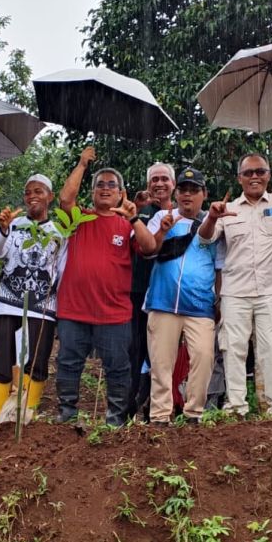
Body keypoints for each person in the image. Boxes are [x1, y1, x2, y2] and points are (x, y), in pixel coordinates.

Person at [198, 124, 272, 419]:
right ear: (239, 178)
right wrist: (212, 217)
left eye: (260, 172)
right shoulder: (227, 207)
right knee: (233, 349)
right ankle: (236, 407)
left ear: (268, 175)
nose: (255, 177)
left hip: (270, 291)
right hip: (234, 292)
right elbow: (204, 238)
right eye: (248, 173)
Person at [54, 146, 157, 426]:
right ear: (92, 191)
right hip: (74, 309)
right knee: (68, 363)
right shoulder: (80, 218)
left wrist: (134, 217)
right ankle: (67, 416)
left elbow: (149, 248)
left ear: (121, 193)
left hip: (114, 313)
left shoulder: (128, 224)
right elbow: (65, 198)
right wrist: (82, 163)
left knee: (118, 368)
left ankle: (114, 421)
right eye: (100, 184)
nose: (105, 188)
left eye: (112, 185)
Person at [0, 174, 63, 424]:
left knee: (38, 360)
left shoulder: (59, 230)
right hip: (8, 302)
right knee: (1, 358)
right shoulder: (15, 224)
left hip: (43, 307)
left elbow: (62, 268)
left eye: (38, 191)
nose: (32, 197)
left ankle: (27, 413)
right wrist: (3, 229)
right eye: (28, 192)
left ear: (50, 197)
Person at [144, 168, 219, 424]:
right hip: (163, 302)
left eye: (194, 190)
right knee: (161, 363)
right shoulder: (161, 218)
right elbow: (148, 249)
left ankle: (193, 413)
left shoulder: (215, 222)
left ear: (204, 194)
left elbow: (219, 265)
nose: (188, 195)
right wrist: (163, 231)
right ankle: (160, 416)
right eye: (183, 190)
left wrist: (218, 300)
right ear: (176, 193)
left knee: (204, 357)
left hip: (200, 305)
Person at [126, 162, 176, 422]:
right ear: (148, 185)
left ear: (173, 185)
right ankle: (131, 408)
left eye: (164, 179)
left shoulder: (185, 214)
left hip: (171, 297)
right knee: (138, 352)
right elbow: (141, 246)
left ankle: (156, 408)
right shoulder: (143, 212)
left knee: (163, 354)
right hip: (140, 293)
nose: (159, 183)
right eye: (154, 179)